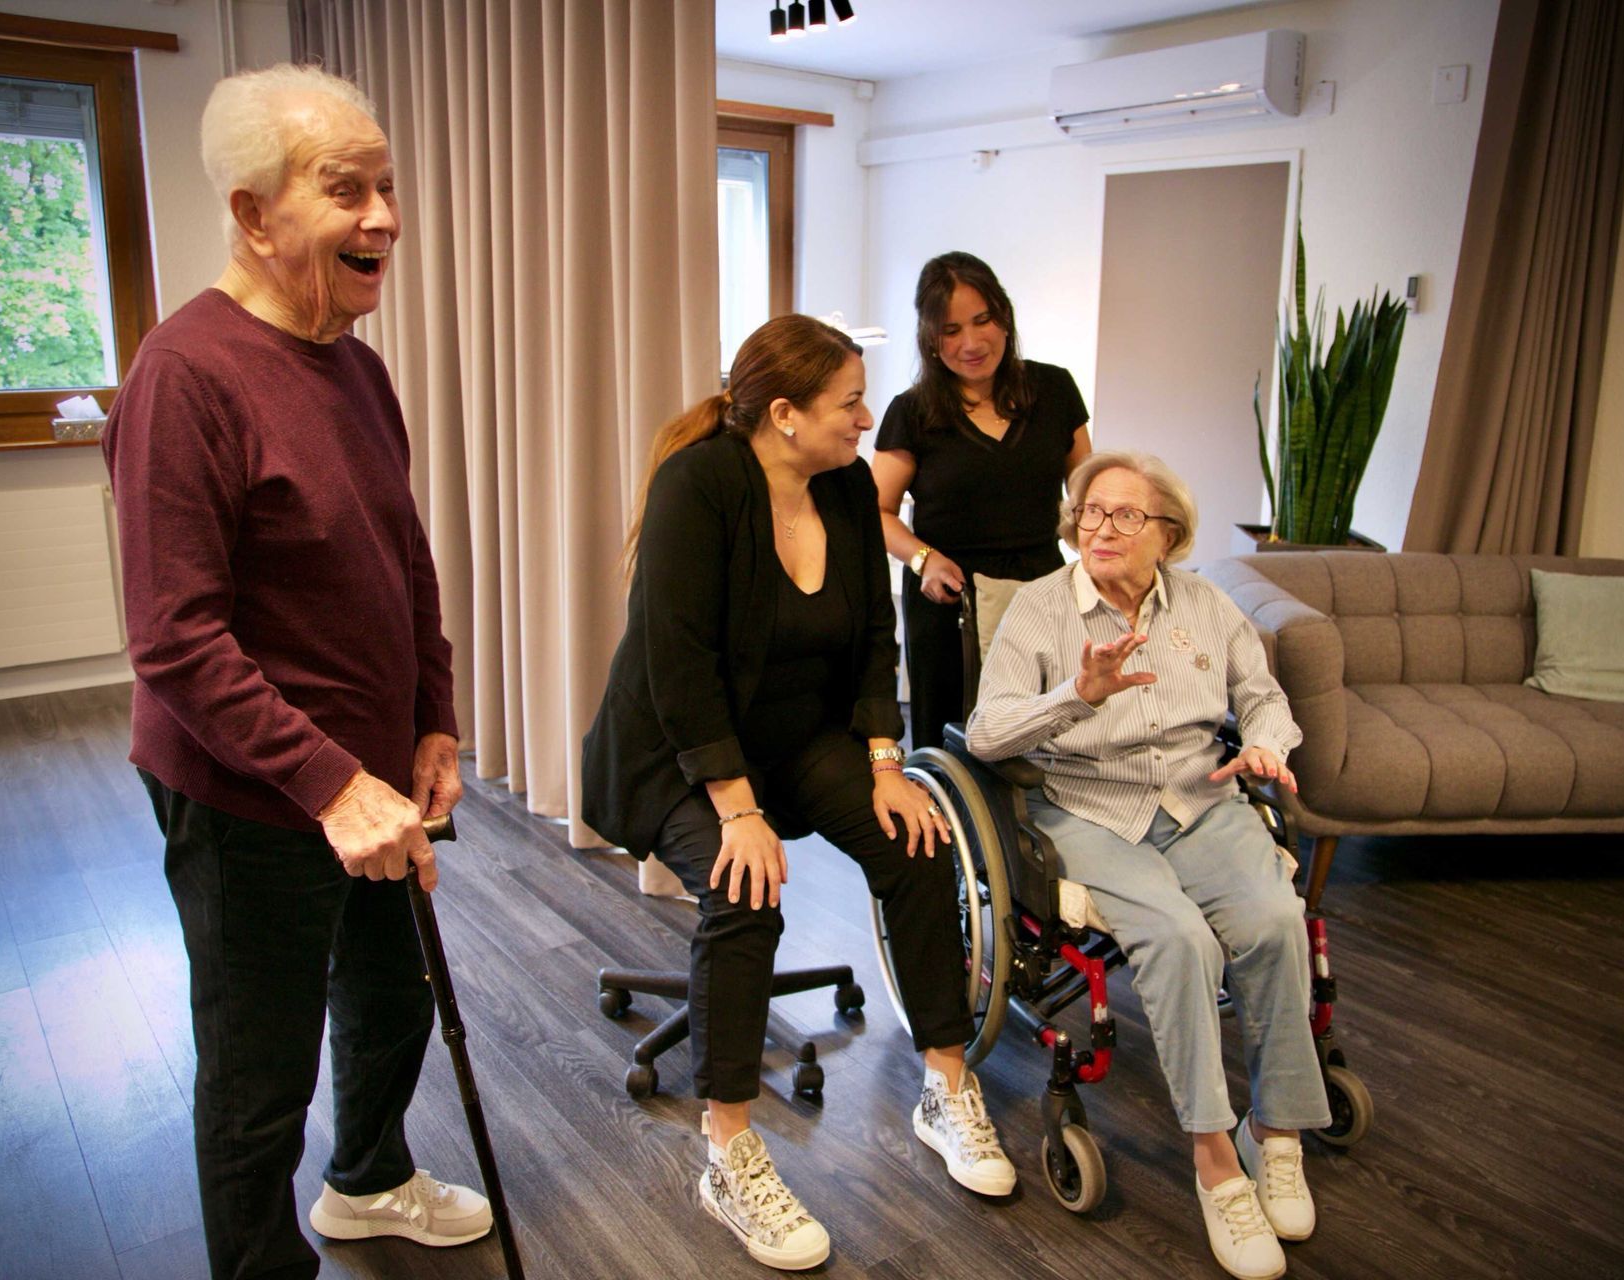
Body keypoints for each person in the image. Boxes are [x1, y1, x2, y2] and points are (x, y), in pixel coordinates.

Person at [104, 64, 491, 1279]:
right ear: (255, 214)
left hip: (375, 777)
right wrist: (330, 783)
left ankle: (369, 1178)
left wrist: (431, 718)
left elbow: (403, 561)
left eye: (387, 186)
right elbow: (173, 636)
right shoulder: (187, 376)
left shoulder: (357, 365)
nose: (383, 214)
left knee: (391, 1000)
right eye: (346, 189)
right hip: (251, 795)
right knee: (258, 1072)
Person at [582, 314, 1017, 1272]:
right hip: (675, 751)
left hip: (796, 738)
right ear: (784, 414)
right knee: (746, 888)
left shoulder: (850, 490)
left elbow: (872, 640)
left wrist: (881, 760)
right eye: (849, 402)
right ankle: (729, 1151)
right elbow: (679, 667)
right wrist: (737, 811)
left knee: (917, 841)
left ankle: (947, 1087)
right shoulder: (698, 487)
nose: (867, 419)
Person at [965, 451, 1329, 1280]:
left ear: (1167, 535)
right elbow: (987, 734)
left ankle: (1275, 1132)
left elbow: (1262, 696)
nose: (1100, 528)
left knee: (1277, 922)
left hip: (1202, 797)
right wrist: (1077, 698)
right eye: (1091, 512)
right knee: (1179, 940)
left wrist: (1268, 744)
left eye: (1126, 516)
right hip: (1089, 807)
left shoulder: (1205, 602)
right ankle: (1214, 1162)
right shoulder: (1039, 610)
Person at [872, 251, 1092, 751]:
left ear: (1004, 317)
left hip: (1040, 590)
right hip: (948, 599)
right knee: (951, 742)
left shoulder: (1054, 390)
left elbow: (1087, 497)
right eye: (950, 330)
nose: (971, 343)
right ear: (930, 339)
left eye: (982, 320)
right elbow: (875, 510)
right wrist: (922, 559)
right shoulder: (913, 412)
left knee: (1043, 735)